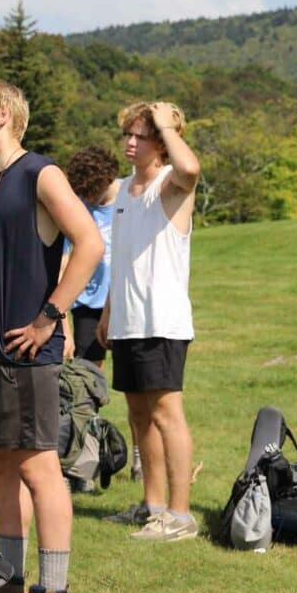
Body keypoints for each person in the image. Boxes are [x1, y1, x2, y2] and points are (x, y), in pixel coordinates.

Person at [0, 82, 102, 593]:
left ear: (2, 115)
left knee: (39, 464)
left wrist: (51, 317)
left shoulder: (41, 173)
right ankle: (10, 580)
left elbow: (88, 242)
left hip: (29, 347)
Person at [99, 102, 202, 541]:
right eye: (129, 134)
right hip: (127, 320)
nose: (130, 141)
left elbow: (191, 166)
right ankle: (153, 504)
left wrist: (165, 124)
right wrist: (107, 312)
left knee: (166, 414)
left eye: (141, 135)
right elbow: (118, 258)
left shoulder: (171, 184)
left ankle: (180, 517)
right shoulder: (123, 189)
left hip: (161, 322)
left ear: (160, 141)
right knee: (139, 416)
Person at [61, 145, 120, 365]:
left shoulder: (130, 197)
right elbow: (63, 264)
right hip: (88, 303)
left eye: (92, 192)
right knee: (88, 373)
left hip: (123, 300)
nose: (88, 198)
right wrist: (63, 323)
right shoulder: (75, 207)